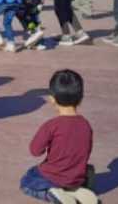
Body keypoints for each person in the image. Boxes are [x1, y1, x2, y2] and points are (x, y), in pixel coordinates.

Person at [20, 69, 97, 204]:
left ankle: (54, 193)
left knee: (27, 181)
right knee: (81, 170)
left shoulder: (51, 125)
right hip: (76, 176)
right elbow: (87, 150)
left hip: (54, 176)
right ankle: (78, 191)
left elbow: (35, 150)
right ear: (81, 98)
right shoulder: (86, 125)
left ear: (52, 99)